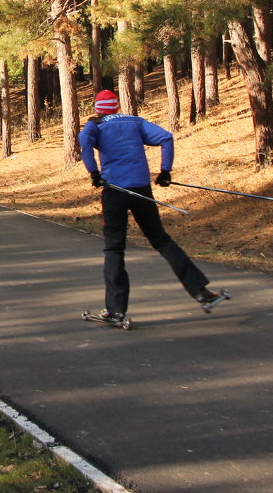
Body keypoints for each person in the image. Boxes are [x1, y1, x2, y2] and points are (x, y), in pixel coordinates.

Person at [79, 90, 228, 327]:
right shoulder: (134, 122)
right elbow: (166, 137)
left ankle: (116, 311)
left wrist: (94, 173)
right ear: (116, 107)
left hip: (115, 192)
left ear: (97, 107)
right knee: (160, 239)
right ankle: (200, 291)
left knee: (114, 249)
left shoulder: (95, 126)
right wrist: (165, 171)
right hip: (141, 190)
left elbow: (84, 144)